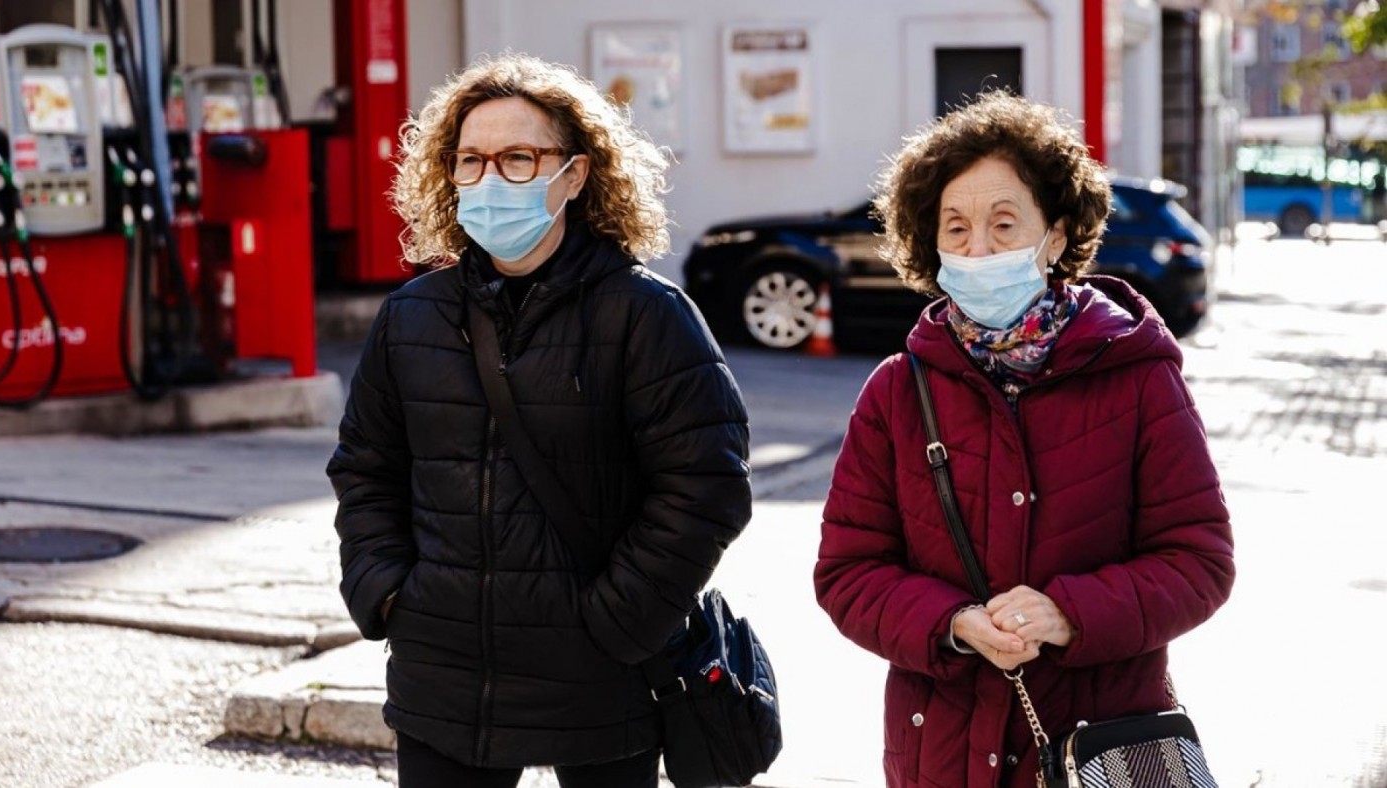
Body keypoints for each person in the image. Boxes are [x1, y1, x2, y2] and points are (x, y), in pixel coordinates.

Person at [328, 53, 751, 788]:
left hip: (599, 681)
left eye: (518, 158)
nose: (491, 180)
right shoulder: (411, 317)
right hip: (444, 679)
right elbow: (366, 469)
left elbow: (705, 487)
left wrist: (618, 621)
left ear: (575, 175)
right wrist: (387, 590)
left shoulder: (646, 314)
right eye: (470, 161)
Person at [813, 92, 1235, 787]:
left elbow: (1198, 560)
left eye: (1004, 224)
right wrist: (951, 623)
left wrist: (1070, 614)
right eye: (955, 228)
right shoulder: (896, 392)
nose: (977, 248)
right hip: (942, 754)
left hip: (1102, 748)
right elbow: (847, 572)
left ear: (1058, 235)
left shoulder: (1137, 378)